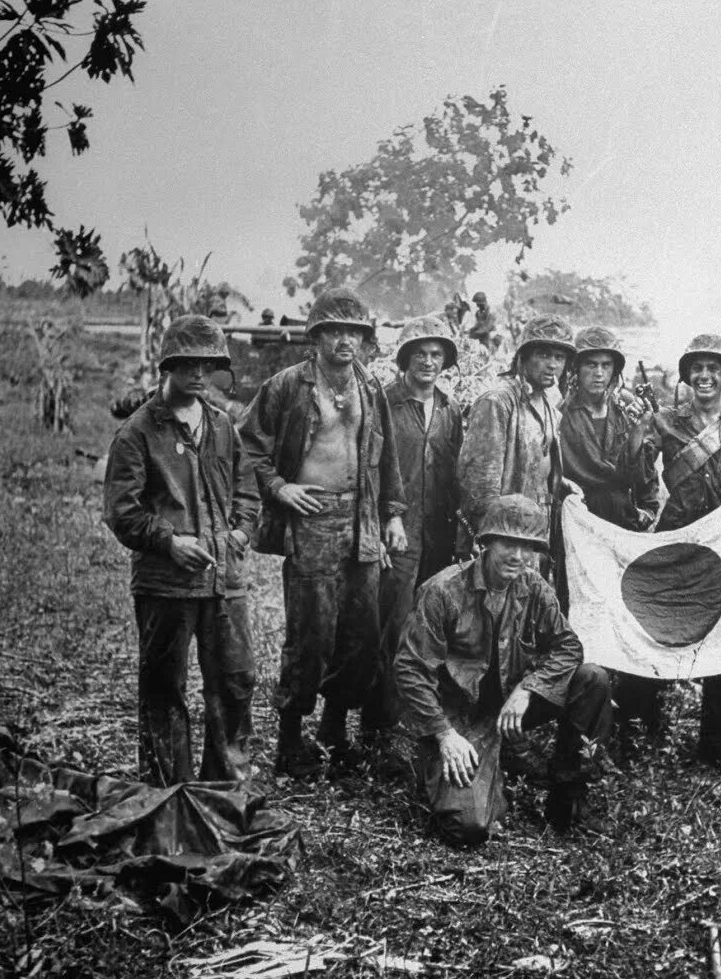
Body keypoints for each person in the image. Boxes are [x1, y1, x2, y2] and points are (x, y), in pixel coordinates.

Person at [238, 287, 407, 777]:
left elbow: (388, 455)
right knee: (311, 634)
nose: (345, 341)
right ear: (316, 336)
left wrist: (392, 513)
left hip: (363, 519)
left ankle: (334, 730)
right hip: (311, 519)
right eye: (335, 331)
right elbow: (248, 447)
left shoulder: (369, 388)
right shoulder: (287, 386)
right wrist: (280, 487)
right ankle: (290, 741)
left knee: (361, 631)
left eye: (354, 332)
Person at [394, 495, 613, 845]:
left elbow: (568, 646)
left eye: (528, 547)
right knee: (467, 828)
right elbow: (410, 670)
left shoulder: (533, 586)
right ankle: (480, 766)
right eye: (508, 543)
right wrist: (444, 735)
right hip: (461, 716)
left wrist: (528, 688)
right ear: (487, 543)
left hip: (511, 704)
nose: (518, 556)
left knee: (592, 679)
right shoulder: (443, 591)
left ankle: (566, 798)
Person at [103, 315, 258, 785]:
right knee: (163, 688)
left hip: (223, 580)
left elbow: (247, 488)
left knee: (235, 681)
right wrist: (169, 542)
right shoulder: (138, 432)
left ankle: (225, 788)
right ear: (167, 366)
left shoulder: (223, 426)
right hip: (166, 583)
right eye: (187, 363)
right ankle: (166, 792)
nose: (198, 373)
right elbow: (121, 511)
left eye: (207, 364)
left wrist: (241, 531)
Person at [631, 334, 721, 769]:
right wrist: (639, 435)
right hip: (678, 539)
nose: (705, 376)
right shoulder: (665, 421)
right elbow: (638, 473)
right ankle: (646, 724)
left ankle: (716, 739)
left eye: (714, 369)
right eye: (697, 368)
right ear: (687, 375)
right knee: (661, 626)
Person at [374, 316, 464, 740]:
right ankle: (382, 721)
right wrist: (381, 522)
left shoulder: (450, 410)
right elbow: (371, 470)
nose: (429, 362)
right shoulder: (384, 404)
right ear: (406, 359)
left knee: (430, 626)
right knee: (392, 625)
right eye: (421, 354)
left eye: (436, 355)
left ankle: (421, 718)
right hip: (397, 533)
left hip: (438, 534)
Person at [457, 313, 574, 565]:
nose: (552, 364)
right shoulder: (497, 402)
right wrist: (488, 539)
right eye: (543, 355)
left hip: (536, 531)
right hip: (503, 537)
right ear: (523, 357)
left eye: (559, 357)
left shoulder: (551, 407)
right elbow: (479, 482)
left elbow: (538, 464)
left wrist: (560, 482)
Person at [558, 326, 658, 533]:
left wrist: (638, 429)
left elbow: (642, 471)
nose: (599, 374)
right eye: (591, 365)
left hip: (623, 518)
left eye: (606, 365)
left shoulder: (625, 407)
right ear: (576, 368)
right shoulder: (563, 413)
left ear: (615, 369)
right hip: (580, 519)